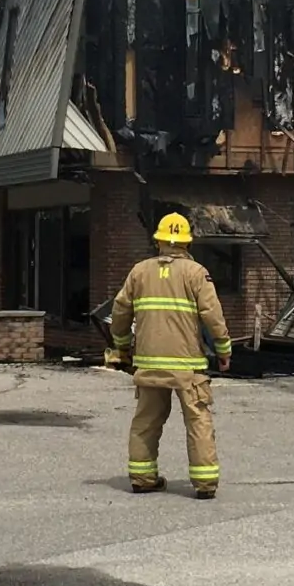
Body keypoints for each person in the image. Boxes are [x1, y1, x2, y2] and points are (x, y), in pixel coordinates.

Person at [109, 212, 233, 499]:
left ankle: (142, 478)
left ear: (159, 242)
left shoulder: (139, 272)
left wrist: (122, 347)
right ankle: (205, 484)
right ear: (187, 244)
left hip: (149, 364)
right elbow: (213, 315)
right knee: (198, 420)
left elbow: (119, 311)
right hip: (188, 366)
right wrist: (223, 349)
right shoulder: (196, 273)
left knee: (146, 421)